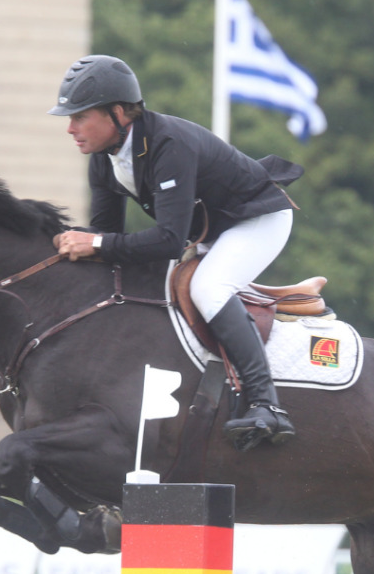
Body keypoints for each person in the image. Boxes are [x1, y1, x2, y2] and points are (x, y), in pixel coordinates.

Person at [49, 54, 303, 451]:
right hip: (212, 229)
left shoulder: (168, 144)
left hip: (256, 219)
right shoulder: (103, 158)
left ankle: (266, 403)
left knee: (208, 288)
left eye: (80, 117)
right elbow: (107, 235)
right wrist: (73, 244)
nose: (70, 128)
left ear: (118, 113)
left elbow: (168, 241)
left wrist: (95, 244)